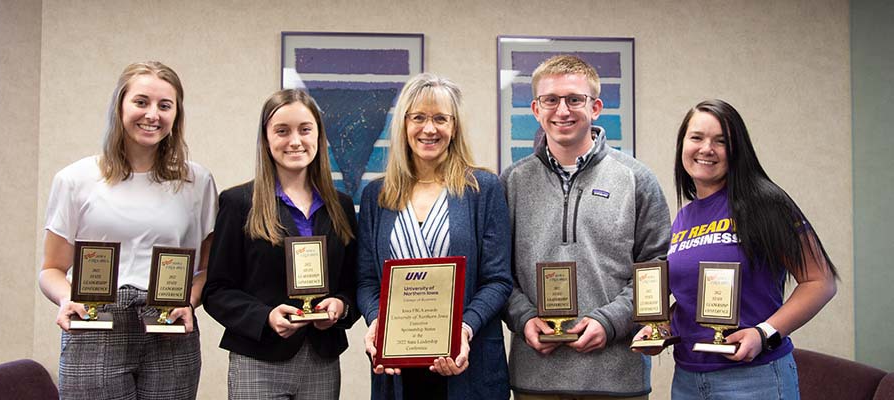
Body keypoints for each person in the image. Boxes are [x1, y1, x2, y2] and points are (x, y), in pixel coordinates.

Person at [632, 99, 837, 399]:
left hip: (754, 378)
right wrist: (660, 327)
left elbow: (821, 282)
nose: (706, 149)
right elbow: (691, 299)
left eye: (721, 141)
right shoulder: (684, 218)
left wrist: (764, 333)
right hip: (688, 379)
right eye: (697, 137)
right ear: (682, 145)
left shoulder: (767, 203)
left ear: (737, 149)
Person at [38, 61, 216, 399]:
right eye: (141, 102)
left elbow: (208, 269)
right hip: (96, 325)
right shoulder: (75, 179)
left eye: (165, 106)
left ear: (176, 115)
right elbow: (51, 269)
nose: (153, 114)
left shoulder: (197, 182)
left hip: (169, 331)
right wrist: (66, 297)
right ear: (120, 105)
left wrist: (190, 302)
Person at [500, 55, 671, 399]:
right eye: (551, 100)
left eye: (574, 99)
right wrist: (524, 318)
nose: (562, 110)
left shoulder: (636, 178)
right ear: (536, 109)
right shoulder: (512, 182)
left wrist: (610, 322)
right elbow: (497, 272)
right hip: (536, 378)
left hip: (617, 378)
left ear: (595, 108)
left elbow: (656, 268)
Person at [357, 72, 513, 400]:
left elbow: (498, 280)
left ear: (454, 127)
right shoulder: (377, 195)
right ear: (403, 124)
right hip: (398, 368)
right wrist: (376, 322)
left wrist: (464, 329)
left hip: (467, 362)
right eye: (419, 118)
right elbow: (368, 281)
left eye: (440, 118)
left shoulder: (483, 189)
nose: (430, 129)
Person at [202, 89, 359, 400]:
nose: (295, 141)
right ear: (266, 138)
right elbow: (216, 290)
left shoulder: (341, 206)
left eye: (305, 129)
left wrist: (341, 307)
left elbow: (354, 283)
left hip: (322, 360)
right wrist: (265, 317)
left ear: (319, 135)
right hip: (258, 359)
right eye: (282, 131)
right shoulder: (238, 203)